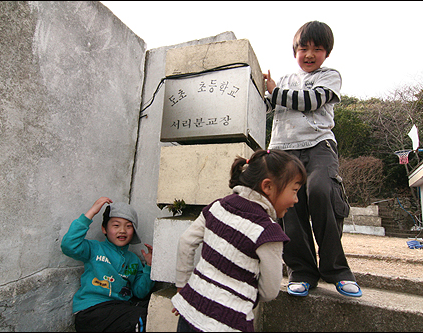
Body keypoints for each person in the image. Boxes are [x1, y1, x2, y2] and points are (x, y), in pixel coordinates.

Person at [262, 20, 362, 298]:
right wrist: (257, 89)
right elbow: (265, 107)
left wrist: (274, 92)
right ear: (294, 51)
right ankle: (302, 271)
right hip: (283, 150)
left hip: (319, 146)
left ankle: (337, 270)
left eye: (317, 49)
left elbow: (311, 101)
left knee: (321, 190)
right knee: (289, 207)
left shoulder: (330, 76)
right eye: (303, 48)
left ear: (326, 53)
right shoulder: (282, 81)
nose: (309, 54)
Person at [171, 149, 307, 332]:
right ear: (268, 187)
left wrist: (182, 287)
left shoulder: (217, 206)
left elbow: (186, 241)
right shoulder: (268, 233)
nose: (296, 200)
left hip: (189, 312)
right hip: (229, 323)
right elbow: (269, 291)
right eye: (295, 190)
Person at [61, 197, 155, 332]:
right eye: (116, 225)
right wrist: (92, 212)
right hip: (92, 311)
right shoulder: (94, 249)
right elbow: (69, 245)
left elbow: (140, 292)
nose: (122, 230)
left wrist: (149, 267)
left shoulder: (133, 260)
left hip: (119, 310)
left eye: (128, 226)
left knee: (155, 310)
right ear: (104, 229)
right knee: (140, 318)